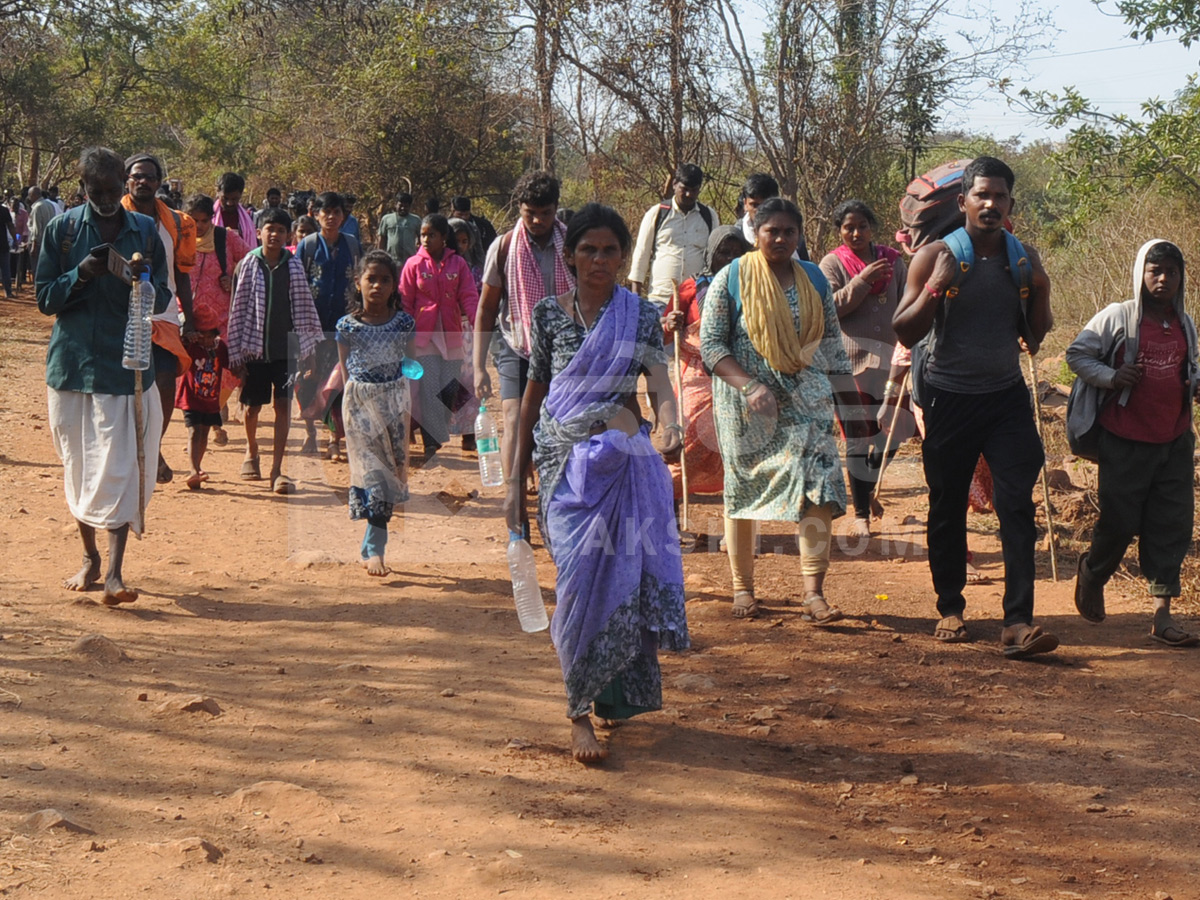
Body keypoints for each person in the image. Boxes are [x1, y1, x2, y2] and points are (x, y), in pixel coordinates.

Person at [505, 203, 689, 764]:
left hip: (622, 465)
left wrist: (670, 424)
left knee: (621, 583)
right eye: (589, 250)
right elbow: (534, 399)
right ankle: (576, 710)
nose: (600, 260)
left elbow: (659, 382)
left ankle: (601, 699)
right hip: (563, 468)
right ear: (570, 256)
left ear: (622, 256)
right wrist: (515, 485)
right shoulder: (547, 315)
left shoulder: (637, 315)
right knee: (579, 585)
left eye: (610, 250)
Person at [893, 156, 1056, 659]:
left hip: (1005, 397)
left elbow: (1034, 334)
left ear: (1010, 204)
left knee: (1016, 504)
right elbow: (904, 328)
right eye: (981, 195)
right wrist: (938, 285)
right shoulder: (936, 256)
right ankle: (950, 606)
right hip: (949, 397)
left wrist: (1043, 292)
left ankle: (1018, 621)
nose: (990, 204)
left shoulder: (1023, 259)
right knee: (946, 505)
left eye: (1000, 196)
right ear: (963, 201)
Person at [700, 198, 853, 622]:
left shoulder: (815, 280)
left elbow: (832, 346)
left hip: (808, 401)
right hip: (747, 409)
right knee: (744, 490)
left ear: (799, 235)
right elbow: (712, 347)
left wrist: (852, 406)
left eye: (789, 231)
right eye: (773, 231)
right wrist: (749, 387)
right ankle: (743, 589)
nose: (782, 238)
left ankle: (813, 593)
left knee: (819, 484)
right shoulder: (731, 279)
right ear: (756, 233)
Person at [36, 146, 170, 605]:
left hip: (126, 367)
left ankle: (115, 573)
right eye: (98, 192)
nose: (108, 198)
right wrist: (82, 273)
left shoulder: (147, 231)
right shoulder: (64, 229)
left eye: (114, 190)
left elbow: (165, 295)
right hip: (72, 366)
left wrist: (142, 277)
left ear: (124, 185)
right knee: (80, 466)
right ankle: (90, 558)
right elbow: (45, 298)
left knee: (119, 468)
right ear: (84, 189)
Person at [1067, 239, 1200, 647]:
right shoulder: (1118, 317)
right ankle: (1093, 573)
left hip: (1174, 439)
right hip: (1125, 440)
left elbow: (1189, 368)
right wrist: (1112, 377)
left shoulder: (1186, 323)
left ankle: (1162, 616)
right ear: (1141, 274)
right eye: (1154, 271)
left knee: (1171, 525)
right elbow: (1076, 354)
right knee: (1120, 521)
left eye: (1171, 272)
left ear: (1182, 278)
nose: (1163, 279)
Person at [473, 171, 575, 485]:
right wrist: (477, 366)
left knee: (560, 421)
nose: (537, 221)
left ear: (556, 209)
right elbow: (487, 308)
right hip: (514, 344)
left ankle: (555, 490)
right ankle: (514, 503)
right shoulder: (503, 248)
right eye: (530, 213)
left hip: (564, 347)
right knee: (515, 420)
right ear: (519, 208)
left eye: (545, 214)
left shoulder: (573, 245)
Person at [819, 199, 907, 537]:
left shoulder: (894, 262)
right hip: (848, 364)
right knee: (857, 439)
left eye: (862, 226)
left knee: (894, 432)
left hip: (891, 361)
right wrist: (862, 282)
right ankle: (861, 516)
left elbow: (904, 306)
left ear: (872, 227)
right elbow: (831, 309)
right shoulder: (832, 263)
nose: (856, 233)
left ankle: (867, 486)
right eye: (848, 227)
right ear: (840, 231)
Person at [226, 208, 324, 494]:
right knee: (252, 407)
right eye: (270, 228)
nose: (275, 234)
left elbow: (304, 309)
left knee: (283, 405)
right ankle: (251, 450)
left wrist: (309, 351)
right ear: (259, 232)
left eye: (281, 230)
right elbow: (238, 309)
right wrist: (236, 353)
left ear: (288, 235)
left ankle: (277, 470)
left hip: (285, 352)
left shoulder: (293, 266)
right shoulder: (248, 263)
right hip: (255, 351)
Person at [337, 250, 417, 576]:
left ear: (394, 284)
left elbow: (410, 365)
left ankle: (370, 545)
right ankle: (377, 551)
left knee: (390, 476)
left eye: (385, 280)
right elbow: (344, 370)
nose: (378, 286)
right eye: (371, 279)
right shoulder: (347, 326)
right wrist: (349, 407)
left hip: (395, 402)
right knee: (374, 477)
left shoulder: (403, 323)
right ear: (358, 283)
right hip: (359, 403)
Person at [122, 153, 199, 486]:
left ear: (159, 182)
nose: (144, 182)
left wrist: (190, 318)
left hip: (164, 312)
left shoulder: (178, 223)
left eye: (150, 177)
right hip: (120, 312)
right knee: (125, 388)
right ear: (127, 179)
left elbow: (181, 274)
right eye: (137, 176)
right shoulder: (113, 216)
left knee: (166, 383)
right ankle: (132, 451)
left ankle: (151, 447)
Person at [662, 225, 751, 502]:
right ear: (711, 254)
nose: (730, 260)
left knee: (734, 448)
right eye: (724, 252)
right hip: (697, 379)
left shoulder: (753, 287)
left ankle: (734, 528)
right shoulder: (691, 287)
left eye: (737, 254)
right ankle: (669, 510)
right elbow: (663, 328)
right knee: (684, 442)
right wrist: (670, 322)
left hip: (736, 377)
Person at [399, 213, 479, 463]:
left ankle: (438, 428)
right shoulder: (413, 264)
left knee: (450, 389)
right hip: (424, 337)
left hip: (452, 333)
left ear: (444, 238)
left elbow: (469, 295)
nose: (425, 239)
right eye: (422, 234)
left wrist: (480, 325)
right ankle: (430, 443)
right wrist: (405, 335)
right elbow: (405, 301)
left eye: (431, 235)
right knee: (428, 386)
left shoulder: (458, 264)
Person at [295, 191, 362, 458]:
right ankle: (310, 432)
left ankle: (334, 439)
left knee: (338, 383)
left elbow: (360, 282)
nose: (332, 217)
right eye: (327, 212)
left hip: (344, 326)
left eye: (337, 213)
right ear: (316, 214)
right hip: (311, 324)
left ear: (343, 216)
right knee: (307, 381)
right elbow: (297, 286)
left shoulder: (352, 245)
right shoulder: (308, 245)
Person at [628, 163, 719, 309]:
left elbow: (715, 258)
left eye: (694, 190)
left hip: (696, 300)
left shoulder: (709, 216)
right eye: (685, 189)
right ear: (675, 185)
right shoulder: (657, 213)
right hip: (660, 298)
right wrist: (635, 303)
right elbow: (641, 255)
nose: (689, 194)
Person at [448, 216, 485, 450]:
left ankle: (468, 433)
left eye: (464, 241)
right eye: (455, 240)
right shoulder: (439, 267)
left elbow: (477, 300)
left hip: (467, 328)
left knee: (469, 379)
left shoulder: (474, 269)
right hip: (444, 329)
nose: (460, 246)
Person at [175, 328, 228, 490]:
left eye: (209, 337)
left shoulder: (220, 348)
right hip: (190, 397)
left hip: (210, 399)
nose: (205, 340)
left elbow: (228, 364)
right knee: (194, 431)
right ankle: (193, 470)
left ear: (215, 336)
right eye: (202, 337)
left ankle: (197, 466)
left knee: (204, 432)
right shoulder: (191, 347)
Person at [734, 173, 810, 262]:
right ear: (745, 204)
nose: (760, 211)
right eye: (754, 205)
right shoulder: (737, 234)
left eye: (765, 205)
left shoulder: (791, 234)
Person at [213, 172, 258, 247]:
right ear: (217, 192)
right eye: (225, 198)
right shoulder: (208, 217)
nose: (229, 203)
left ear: (240, 195)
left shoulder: (250, 218)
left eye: (234, 199)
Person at [377, 192, 421, 265]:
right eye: (400, 205)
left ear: (410, 206)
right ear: (396, 204)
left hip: (410, 261)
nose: (403, 208)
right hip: (391, 261)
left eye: (406, 206)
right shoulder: (386, 219)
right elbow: (382, 239)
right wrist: (380, 257)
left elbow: (421, 239)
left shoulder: (416, 220)